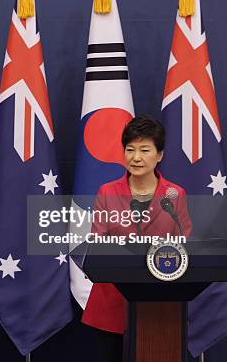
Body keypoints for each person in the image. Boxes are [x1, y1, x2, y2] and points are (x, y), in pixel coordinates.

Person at [81, 115, 192, 362]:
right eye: (130, 150)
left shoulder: (174, 195)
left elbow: (184, 244)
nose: (136, 157)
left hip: (160, 303)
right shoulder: (107, 192)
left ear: (159, 155)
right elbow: (97, 243)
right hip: (111, 299)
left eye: (144, 150)